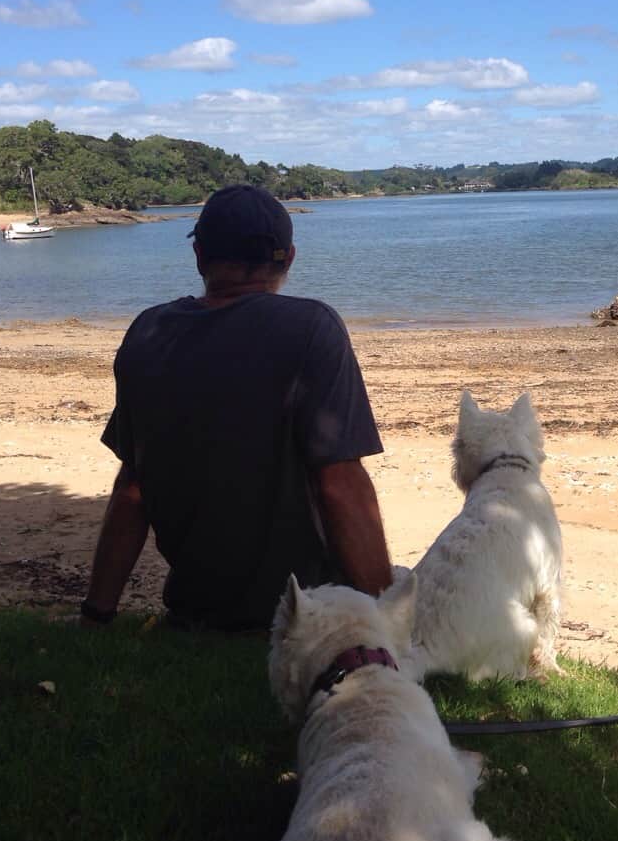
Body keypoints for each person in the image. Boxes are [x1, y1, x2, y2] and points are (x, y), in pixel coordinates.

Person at [80, 184, 392, 629]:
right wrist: (387, 618)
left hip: (195, 608)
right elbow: (341, 486)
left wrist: (97, 612)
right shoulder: (310, 329)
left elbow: (133, 490)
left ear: (200, 256)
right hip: (307, 612)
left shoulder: (148, 333)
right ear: (289, 258)